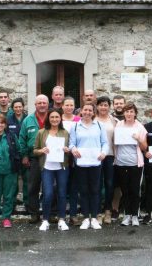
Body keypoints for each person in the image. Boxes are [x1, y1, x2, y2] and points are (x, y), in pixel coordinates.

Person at [69, 103, 109, 230]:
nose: (87, 112)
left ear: (93, 112)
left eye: (90, 110)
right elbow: (71, 143)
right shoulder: (75, 126)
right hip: (81, 163)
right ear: (81, 111)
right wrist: (73, 149)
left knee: (95, 190)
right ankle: (86, 217)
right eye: (85, 110)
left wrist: (104, 153)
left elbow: (105, 143)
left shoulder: (99, 125)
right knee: (84, 190)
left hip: (96, 162)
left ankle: (96, 217)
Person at [34, 109, 71, 231]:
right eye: (52, 117)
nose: (54, 119)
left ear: (60, 119)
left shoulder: (65, 133)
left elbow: (70, 149)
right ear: (48, 119)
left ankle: (61, 219)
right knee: (48, 193)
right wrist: (41, 151)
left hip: (62, 167)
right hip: (47, 167)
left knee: (62, 193)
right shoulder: (41, 132)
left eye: (57, 117)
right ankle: (45, 220)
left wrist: (68, 150)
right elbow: (35, 150)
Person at [114, 102, 147, 227]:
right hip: (120, 163)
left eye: (131, 111)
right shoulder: (119, 125)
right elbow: (115, 142)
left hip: (135, 163)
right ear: (124, 113)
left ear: (135, 113)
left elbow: (145, 147)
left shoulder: (140, 127)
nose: (129, 114)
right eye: (127, 111)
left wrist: (138, 139)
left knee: (134, 190)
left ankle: (135, 215)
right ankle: (127, 215)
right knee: (125, 190)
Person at [19, 94, 49, 224]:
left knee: (50, 186)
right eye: (39, 103)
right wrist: (24, 155)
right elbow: (22, 139)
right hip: (34, 158)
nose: (42, 105)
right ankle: (34, 213)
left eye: (44, 103)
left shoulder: (53, 117)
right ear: (35, 105)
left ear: (48, 104)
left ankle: (51, 213)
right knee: (33, 187)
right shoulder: (28, 120)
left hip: (51, 158)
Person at [95, 96, 117, 224]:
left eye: (106, 105)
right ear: (97, 106)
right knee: (97, 185)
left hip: (110, 156)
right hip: (96, 157)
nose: (103, 107)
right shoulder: (93, 120)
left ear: (109, 107)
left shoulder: (114, 121)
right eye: (101, 105)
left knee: (109, 184)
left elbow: (116, 140)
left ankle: (108, 211)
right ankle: (97, 212)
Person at [61, 96, 81, 225]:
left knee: (74, 187)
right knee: (61, 187)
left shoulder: (79, 120)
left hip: (75, 158)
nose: (69, 107)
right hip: (60, 158)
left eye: (71, 105)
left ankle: (73, 215)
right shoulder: (57, 119)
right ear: (62, 106)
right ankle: (61, 214)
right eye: (66, 105)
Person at [6, 97, 28, 212]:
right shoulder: (8, 120)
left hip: (25, 154)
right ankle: (12, 204)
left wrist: (26, 154)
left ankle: (27, 204)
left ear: (23, 107)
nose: (18, 109)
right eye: (16, 107)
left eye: (20, 106)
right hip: (12, 155)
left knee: (26, 180)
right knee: (13, 181)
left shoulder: (28, 119)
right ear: (12, 108)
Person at [110, 95, 125, 220]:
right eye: (116, 103)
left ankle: (125, 207)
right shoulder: (109, 119)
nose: (119, 105)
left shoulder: (131, 118)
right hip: (112, 154)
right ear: (113, 105)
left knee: (124, 184)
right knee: (114, 185)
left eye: (121, 103)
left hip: (126, 155)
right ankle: (114, 208)